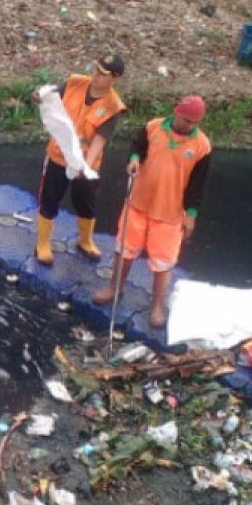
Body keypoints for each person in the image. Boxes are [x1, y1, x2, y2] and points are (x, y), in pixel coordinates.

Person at [91, 95, 211, 329]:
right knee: (124, 250)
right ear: (176, 112)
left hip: (170, 213)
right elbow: (137, 147)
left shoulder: (202, 146)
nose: (188, 125)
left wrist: (191, 215)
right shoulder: (153, 127)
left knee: (163, 261)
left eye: (193, 123)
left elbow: (199, 184)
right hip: (138, 203)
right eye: (185, 120)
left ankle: (157, 305)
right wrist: (134, 159)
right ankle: (115, 287)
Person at [33, 54, 128, 265]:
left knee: (86, 203)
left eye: (102, 75)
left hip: (85, 164)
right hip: (58, 155)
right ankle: (43, 243)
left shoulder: (113, 106)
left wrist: (83, 167)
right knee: (49, 199)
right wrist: (41, 96)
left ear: (114, 78)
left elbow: (100, 141)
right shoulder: (75, 82)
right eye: (95, 70)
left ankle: (85, 240)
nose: (95, 76)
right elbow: (50, 96)